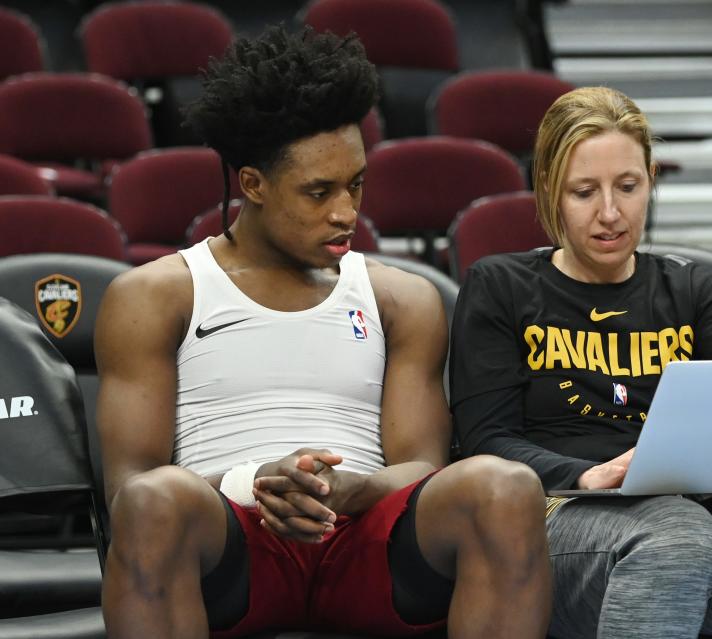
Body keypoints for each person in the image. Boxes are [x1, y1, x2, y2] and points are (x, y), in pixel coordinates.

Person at [95, 26, 551, 639]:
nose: (346, 211)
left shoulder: (402, 297)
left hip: (365, 537)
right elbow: (129, 491)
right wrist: (254, 483)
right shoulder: (156, 294)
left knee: (506, 485)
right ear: (253, 184)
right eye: (319, 192)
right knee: (155, 503)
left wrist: (354, 488)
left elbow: (420, 463)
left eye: (356, 184)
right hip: (230, 539)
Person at [450, 86, 712, 639]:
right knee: (678, 534)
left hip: (699, 513)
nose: (610, 213)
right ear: (550, 189)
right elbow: (486, 440)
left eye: (628, 186)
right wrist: (585, 474)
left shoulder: (695, 289)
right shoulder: (499, 285)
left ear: (650, 179)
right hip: (561, 516)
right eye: (583, 192)